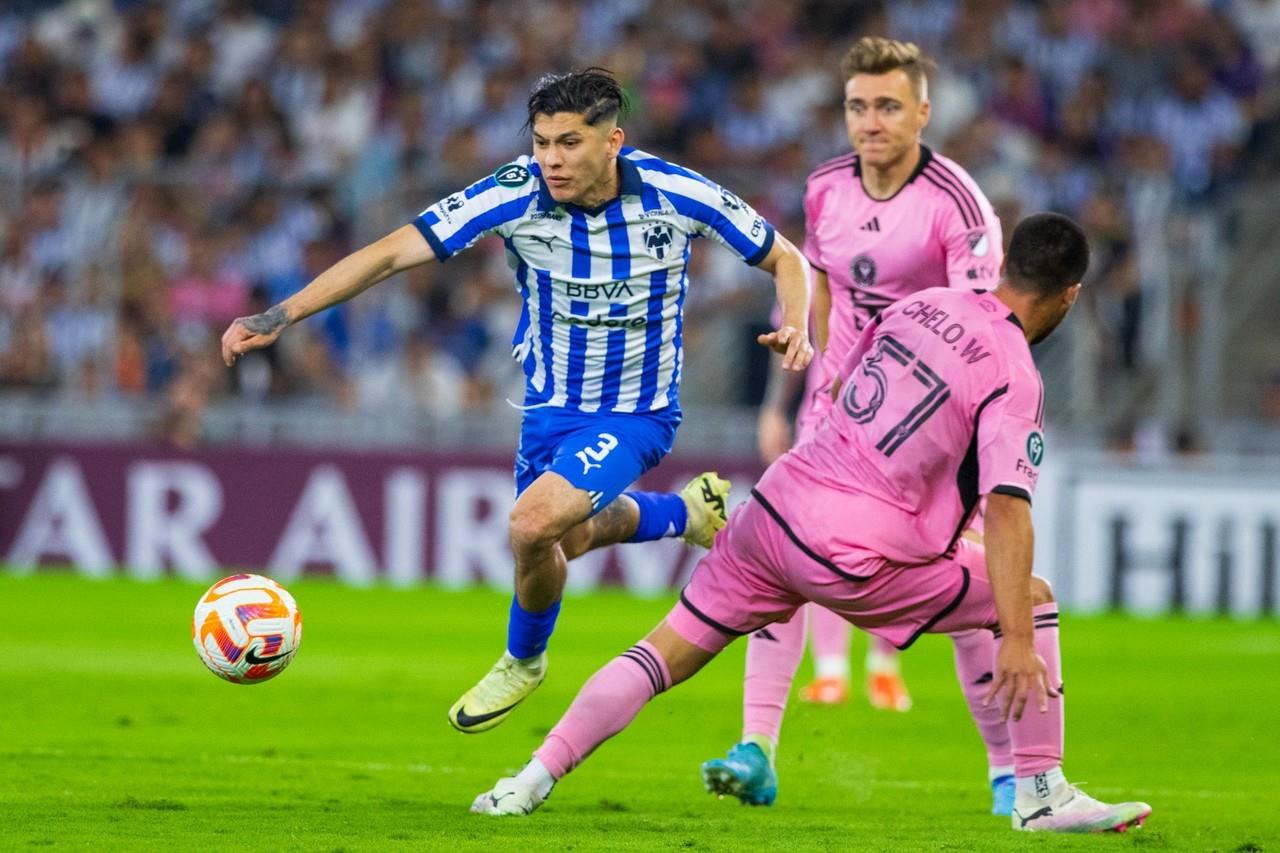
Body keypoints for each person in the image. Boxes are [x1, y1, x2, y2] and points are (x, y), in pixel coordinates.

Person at [471, 213, 1153, 835]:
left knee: (659, 656)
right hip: (858, 552)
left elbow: (837, 387)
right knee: (1031, 599)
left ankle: (527, 780)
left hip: (774, 509)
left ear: (1005, 267)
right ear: (1070, 296)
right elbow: (1007, 508)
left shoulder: (922, 303)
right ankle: (1040, 789)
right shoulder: (1015, 372)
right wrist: (1015, 638)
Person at [220, 68, 813, 734]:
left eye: (569, 143)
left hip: (635, 413)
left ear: (613, 141)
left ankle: (523, 659)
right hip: (546, 412)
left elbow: (786, 258)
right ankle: (687, 513)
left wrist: (797, 323)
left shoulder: (676, 192)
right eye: (542, 142)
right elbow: (391, 254)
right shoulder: (516, 192)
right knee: (571, 535)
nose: (552, 160)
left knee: (532, 525)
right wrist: (282, 313)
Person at [720, 36, 1014, 813]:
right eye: (858, 106)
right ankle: (756, 749)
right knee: (774, 568)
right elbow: (818, 294)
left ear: (923, 110)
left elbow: (981, 330)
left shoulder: (958, 205)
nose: (871, 121)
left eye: (888, 105)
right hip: (834, 420)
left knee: (972, 597)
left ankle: (1008, 771)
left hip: (930, 439)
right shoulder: (825, 189)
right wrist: (783, 401)